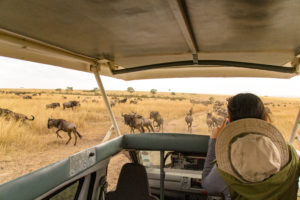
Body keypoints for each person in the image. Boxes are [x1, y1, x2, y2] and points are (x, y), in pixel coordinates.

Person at [202, 93, 300, 200]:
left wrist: (214, 141)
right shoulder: (291, 153)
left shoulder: (227, 161)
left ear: (229, 122)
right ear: (266, 120)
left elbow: (208, 186)